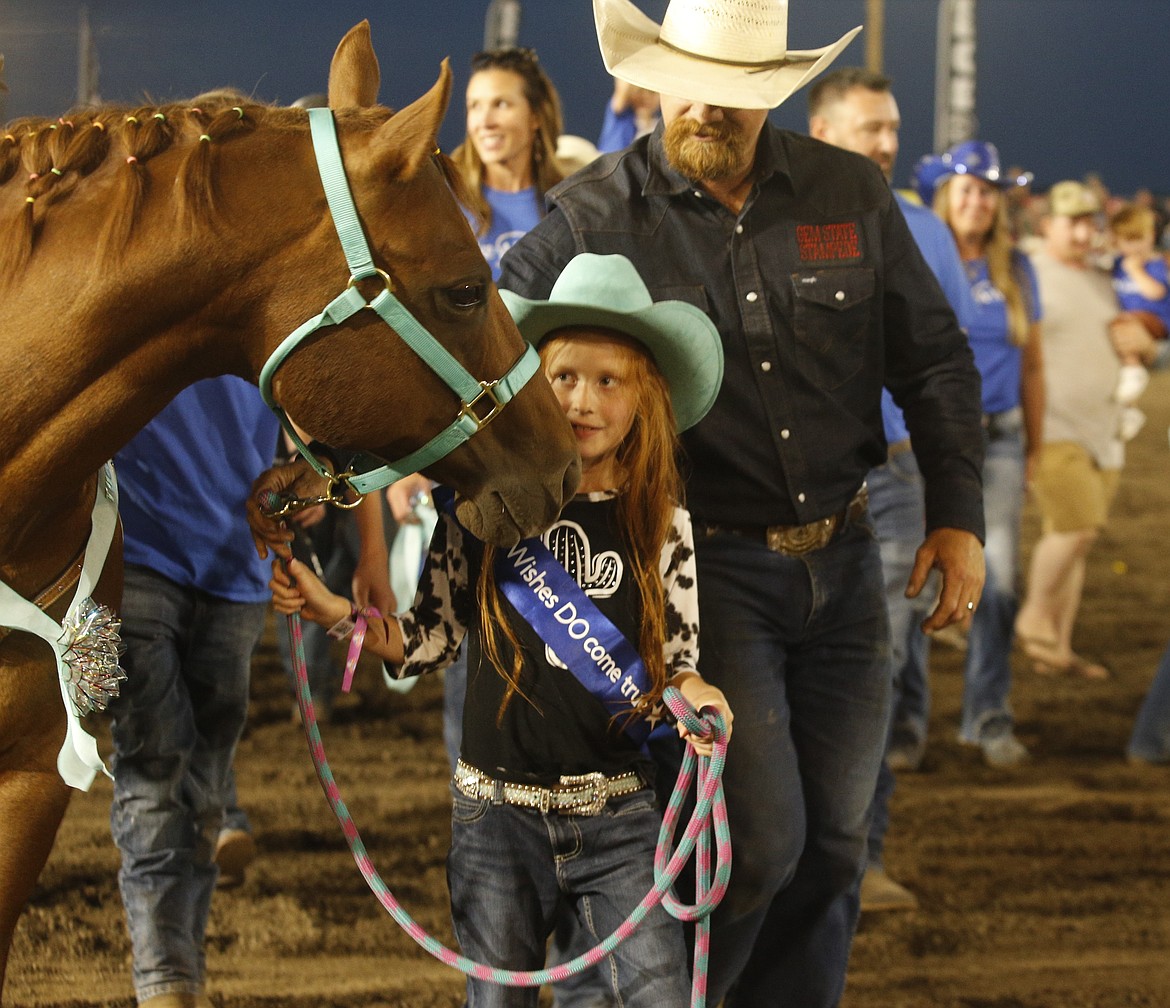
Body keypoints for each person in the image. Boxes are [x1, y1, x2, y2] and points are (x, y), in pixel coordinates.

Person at [497, 2, 987, 1005]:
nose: (707, 102)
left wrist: (959, 515)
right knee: (762, 841)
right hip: (702, 573)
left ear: (771, 92)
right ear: (655, 75)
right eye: (687, 76)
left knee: (838, 845)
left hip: (848, 562)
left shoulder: (849, 191)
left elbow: (935, 360)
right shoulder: (595, 211)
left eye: (735, 85)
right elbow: (493, 349)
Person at [269, 252, 734, 1008]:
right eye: (565, 378)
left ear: (642, 396)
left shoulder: (662, 522)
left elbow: (676, 659)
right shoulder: (480, 511)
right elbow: (428, 636)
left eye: (607, 381)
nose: (584, 400)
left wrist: (697, 691)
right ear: (532, 389)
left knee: (654, 993)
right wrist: (338, 615)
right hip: (494, 819)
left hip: (620, 816)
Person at [807, 67, 976, 913]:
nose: (887, 142)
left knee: (876, 664)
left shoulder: (922, 228)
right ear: (823, 130)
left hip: (899, 472)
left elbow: (939, 353)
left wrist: (957, 503)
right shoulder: (782, 217)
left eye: (892, 127)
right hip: (805, 480)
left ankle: (860, 857)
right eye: (870, 127)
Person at [108, 377, 282, 1008]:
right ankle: (166, 980)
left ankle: (178, 970)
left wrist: (314, 479)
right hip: (135, 555)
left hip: (240, 563)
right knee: (156, 766)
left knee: (205, 786)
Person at [916, 140, 1043, 769]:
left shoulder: (1016, 270)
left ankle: (987, 717)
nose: (977, 200)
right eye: (967, 188)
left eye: (988, 191)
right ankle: (903, 728)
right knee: (905, 588)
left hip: (999, 439)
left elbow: (1034, 363)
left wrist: (1036, 453)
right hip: (926, 436)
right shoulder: (918, 259)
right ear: (946, 195)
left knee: (1000, 586)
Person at [1014, 181, 1157, 681]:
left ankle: (1057, 646)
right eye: (1069, 220)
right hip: (1054, 427)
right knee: (1079, 526)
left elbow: (1140, 334)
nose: (1080, 231)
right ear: (1046, 224)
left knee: (1075, 542)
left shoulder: (1104, 278)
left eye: (1088, 221)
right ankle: (1033, 615)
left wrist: (1148, 344)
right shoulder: (1029, 273)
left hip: (1106, 432)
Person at [451, 46, 565, 281]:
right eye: (475, 106)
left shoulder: (567, 205)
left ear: (535, 116)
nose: (484, 121)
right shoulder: (448, 200)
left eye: (501, 104)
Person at [1107, 202, 1170, 440]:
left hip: (1155, 322)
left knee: (1125, 328)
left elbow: (1156, 293)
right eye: (1127, 240)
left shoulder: (1155, 264)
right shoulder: (1116, 265)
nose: (1134, 246)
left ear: (1151, 236)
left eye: (1138, 238)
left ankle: (1134, 369)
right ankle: (1129, 411)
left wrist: (1136, 270)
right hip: (1127, 324)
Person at [597, 77, 660, 153]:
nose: (645, 96)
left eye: (652, 92)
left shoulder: (660, 127)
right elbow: (623, 87)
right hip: (612, 163)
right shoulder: (622, 116)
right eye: (640, 90)